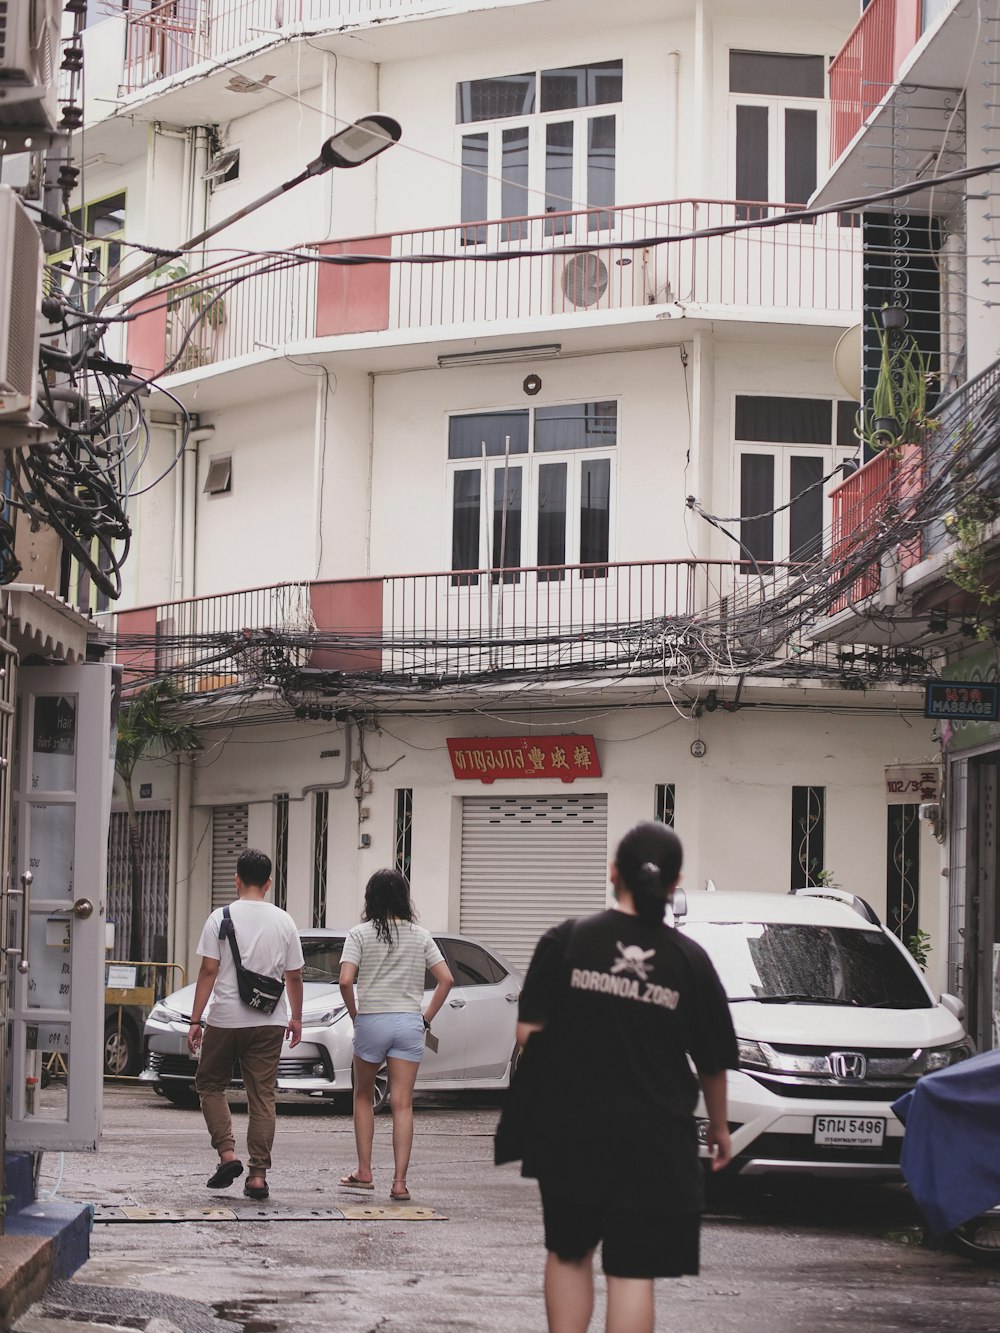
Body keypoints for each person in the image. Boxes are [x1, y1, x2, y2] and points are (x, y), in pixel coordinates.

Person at [513, 821, 738, 1333]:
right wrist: (720, 1129)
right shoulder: (690, 960)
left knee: (569, 1255)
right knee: (633, 1274)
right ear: (675, 884)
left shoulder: (566, 940)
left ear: (613, 872)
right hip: (656, 1139)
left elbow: (527, 1033)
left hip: (571, 1130)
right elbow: (712, 1061)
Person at [187, 847, 304, 1200]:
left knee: (209, 1084)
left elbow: (208, 971)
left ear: (236, 879)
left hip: (225, 1020)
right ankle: (257, 1176)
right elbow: (294, 976)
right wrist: (296, 1018)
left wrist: (196, 1019)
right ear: (268, 883)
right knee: (262, 1096)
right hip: (269, 1021)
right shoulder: (284, 921)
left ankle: (227, 1153)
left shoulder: (219, 918)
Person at [338, 869, 454, 1202]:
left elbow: (346, 981)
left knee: (363, 1096)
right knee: (402, 1103)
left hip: (372, 1019)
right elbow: (445, 979)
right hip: (408, 1022)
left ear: (370, 897)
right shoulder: (420, 935)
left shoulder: (359, 935)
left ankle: (364, 1171)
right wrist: (425, 1018)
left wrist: (355, 1014)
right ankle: (400, 1182)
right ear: (404, 897)